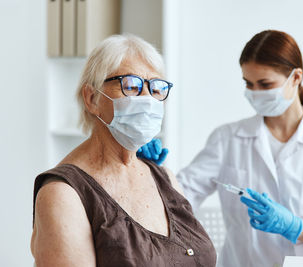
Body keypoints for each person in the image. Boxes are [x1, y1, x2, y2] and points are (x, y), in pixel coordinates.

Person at [139, 30, 303, 267]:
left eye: (265, 84)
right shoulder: (228, 138)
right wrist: (151, 173)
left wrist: (295, 227)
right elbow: (183, 196)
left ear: (296, 77)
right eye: (249, 84)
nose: (255, 93)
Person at [30, 34, 216, 267]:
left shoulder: (165, 178)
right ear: (92, 98)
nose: (147, 99)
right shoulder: (63, 193)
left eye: (156, 88)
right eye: (131, 86)